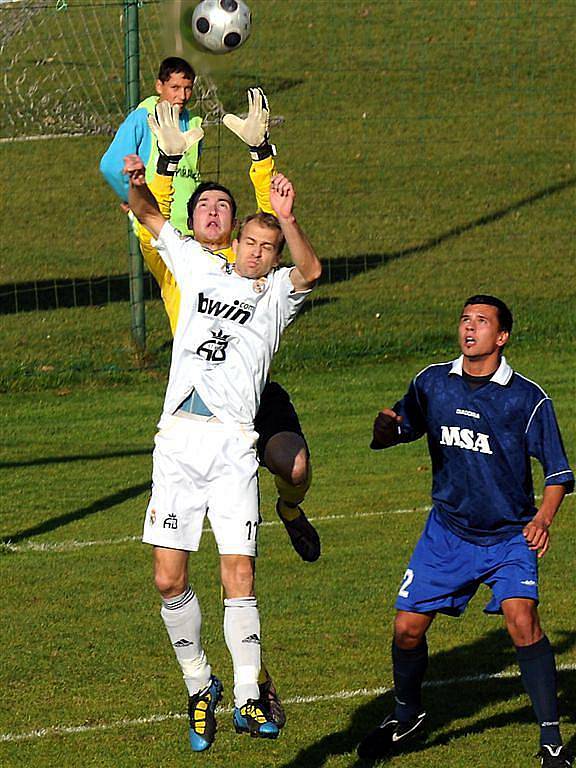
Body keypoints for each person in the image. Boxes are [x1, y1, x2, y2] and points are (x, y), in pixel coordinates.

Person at [124, 100, 322, 753]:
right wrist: (146, 171)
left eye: (269, 248)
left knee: (239, 573)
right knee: (167, 579)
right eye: (254, 242)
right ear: (233, 242)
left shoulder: (276, 301)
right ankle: (198, 685)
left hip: (235, 446)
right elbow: (149, 213)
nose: (261, 253)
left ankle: (245, 696)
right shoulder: (196, 264)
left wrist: (288, 218)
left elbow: (312, 271)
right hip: (178, 441)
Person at [357, 295, 574, 767]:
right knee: (407, 629)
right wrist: (384, 431)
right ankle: (407, 715)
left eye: (481, 321)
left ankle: (552, 742)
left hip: (509, 539)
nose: (469, 328)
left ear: (501, 337)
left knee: (523, 623)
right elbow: (399, 429)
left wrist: (541, 519)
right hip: (447, 535)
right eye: (464, 319)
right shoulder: (432, 382)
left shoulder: (527, 399)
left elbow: (558, 474)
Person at [138, 87, 321, 570]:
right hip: (198, 408)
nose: (214, 210)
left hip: (251, 394)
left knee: (296, 466)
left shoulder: (252, 260)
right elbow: (149, 218)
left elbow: (274, 223)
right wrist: (167, 163)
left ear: (236, 227)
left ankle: (288, 505)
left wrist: (261, 154)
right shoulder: (181, 266)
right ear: (190, 218)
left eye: (223, 205)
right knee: (215, 562)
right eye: (203, 205)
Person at [100, 56, 202, 233]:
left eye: (188, 89)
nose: (182, 96)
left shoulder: (193, 123)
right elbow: (110, 165)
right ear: (159, 86)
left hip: (191, 226)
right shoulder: (143, 118)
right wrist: (137, 201)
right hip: (158, 226)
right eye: (175, 88)